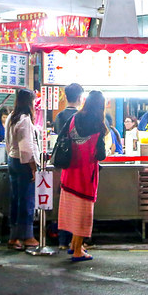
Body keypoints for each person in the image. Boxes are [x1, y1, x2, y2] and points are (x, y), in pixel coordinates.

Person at [58, 90, 107, 262]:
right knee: (83, 211)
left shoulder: (74, 118)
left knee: (72, 209)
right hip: (86, 173)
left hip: (69, 171)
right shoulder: (97, 123)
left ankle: (73, 244)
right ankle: (78, 250)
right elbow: (101, 154)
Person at [5, 88, 39, 250]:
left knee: (16, 199)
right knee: (26, 200)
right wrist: (33, 167)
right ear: (29, 102)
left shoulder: (11, 117)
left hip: (12, 160)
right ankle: (27, 236)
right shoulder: (24, 120)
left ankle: (14, 237)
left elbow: (7, 142)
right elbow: (26, 149)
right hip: (23, 163)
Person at [53, 83, 82, 250]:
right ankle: (76, 241)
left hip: (64, 164)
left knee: (64, 202)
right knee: (78, 202)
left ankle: (63, 241)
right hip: (78, 164)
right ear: (79, 97)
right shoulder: (81, 116)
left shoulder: (60, 116)